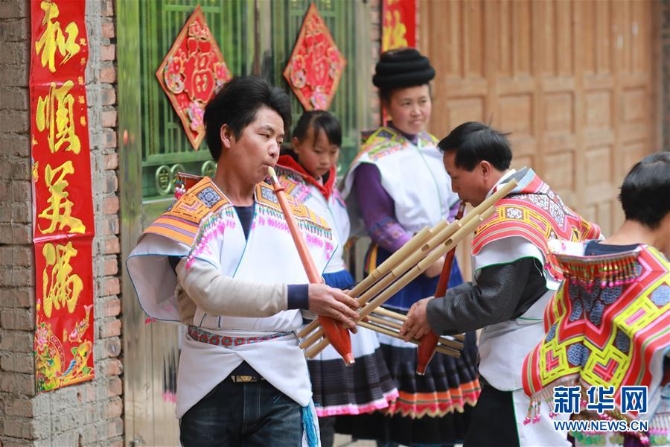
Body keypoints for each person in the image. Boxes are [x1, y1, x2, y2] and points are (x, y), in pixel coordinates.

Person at [126, 76, 361, 447]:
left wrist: (341, 302)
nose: (274, 149)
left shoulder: (299, 215)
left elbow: (334, 283)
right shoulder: (190, 211)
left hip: (280, 386)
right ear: (227, 135)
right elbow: (210, 291)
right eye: (264, 135)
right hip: (209, 387)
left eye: (280, 141)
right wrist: (303, 296)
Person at [400, 121, 602, 446]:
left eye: (455, 177)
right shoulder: (538, 196)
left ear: (483, 170)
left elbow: (492, 301)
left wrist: (434, 312)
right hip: (556, 351)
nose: (454, 189)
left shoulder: (506, 218)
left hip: (522, 366)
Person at [340, 48, 481, 447]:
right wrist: (424, 258)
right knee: (406, 382)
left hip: (446, 267)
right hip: (398, 275)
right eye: (406, 103)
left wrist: (448, 244)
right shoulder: (373, 161)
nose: (417, 111)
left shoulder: (437, 148)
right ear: (387, 106)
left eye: (423, 100)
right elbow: (379, 221)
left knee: (451, 362)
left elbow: (456, 201)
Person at [522, 152, 670, 447]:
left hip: (586, 422)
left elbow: (554, 322)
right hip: (644, 425)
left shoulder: (580, 259)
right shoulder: (656, 273)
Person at [275, 110, 399, 447]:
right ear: (296, 143)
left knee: (327, 406)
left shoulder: (331, 188)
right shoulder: (282, 188)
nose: (326, 160)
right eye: (318, 151)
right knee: (310, 398)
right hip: (312, 294)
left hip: (340, 288)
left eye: (332, 152)